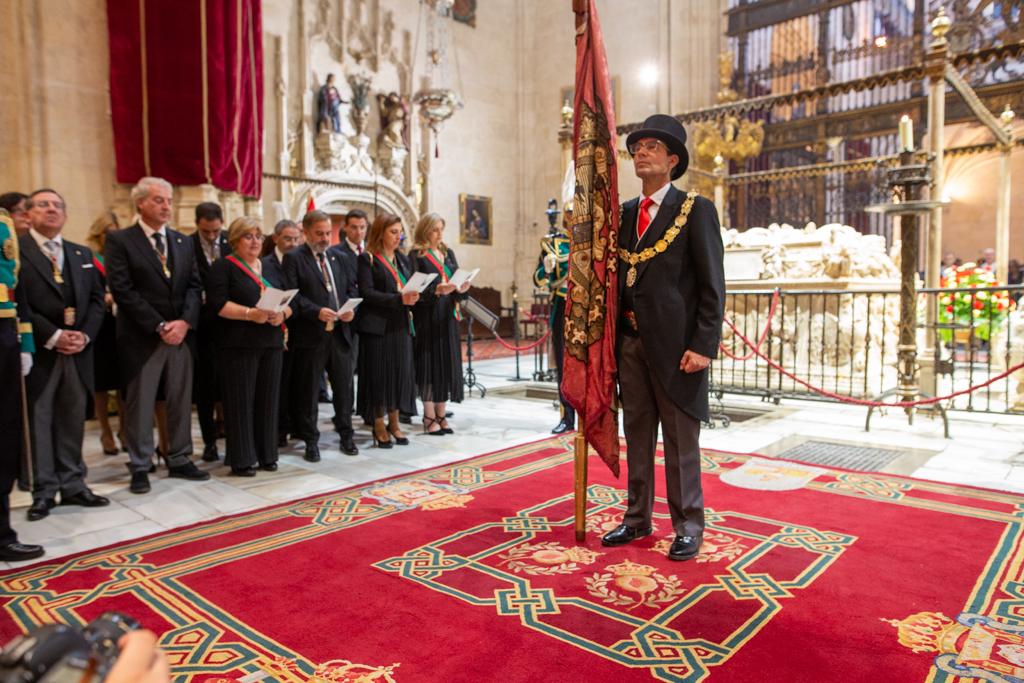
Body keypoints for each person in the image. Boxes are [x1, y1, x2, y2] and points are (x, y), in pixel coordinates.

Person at [601, 114, 725, 562]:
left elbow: (713, 285)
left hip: (678, 350)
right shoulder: (623, 215)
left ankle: (688, 525)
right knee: (636, 435)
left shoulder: (695, 209)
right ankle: (637, 517)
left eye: (652, 146)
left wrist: (703, 346)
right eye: (637, 147)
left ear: (673, 160)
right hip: (630, 343)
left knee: (679, 442)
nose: (641, 152)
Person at [105, 177, 209, 494]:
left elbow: (194, 287)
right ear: (140, 203)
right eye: (158, 200)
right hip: (143, 336)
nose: (166, 206)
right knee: (141, 403)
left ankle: (179, 457)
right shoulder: (121, 240)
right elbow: (123, 290)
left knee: (179, 399)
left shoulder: (182, 241)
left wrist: (185, 323)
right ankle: (140, 464)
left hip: (180, 335)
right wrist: (161, 326)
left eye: (169, 201)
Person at [17, 189, 109, 520]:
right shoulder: (17, 252)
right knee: (40, 421)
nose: (51, 210)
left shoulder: (80, 252)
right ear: (29, 214)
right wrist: (54, 336)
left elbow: (97, 299)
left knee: (72, 419)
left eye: (57, 206)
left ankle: (73, 485)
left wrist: (85, 334)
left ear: (66, 216)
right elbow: (19, 303)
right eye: (43, 205)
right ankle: (43, 490)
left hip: (78, 349)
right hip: (41, 351)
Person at [206, 218, 287, 476]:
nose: (255, 241)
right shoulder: (223, 267)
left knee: (268, 400)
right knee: (241, 402)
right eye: (248, 236)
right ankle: (242, 458)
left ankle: (267, 454)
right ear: (235, 240)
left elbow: (289, 300)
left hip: (271, 342)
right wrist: (250, 314)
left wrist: (283, 314)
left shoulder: (270, 267)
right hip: (239, 344)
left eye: (258, 236)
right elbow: (218, 304)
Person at [283, 210, 358, 461]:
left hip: (339, 334)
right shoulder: (294, 258)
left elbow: (350, 288)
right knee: (309, 392)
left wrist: (350, 309)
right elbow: (293, 296)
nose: (325, 238)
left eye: (328, 233)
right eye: (319, 233)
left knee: (344, 389)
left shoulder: (338, 257)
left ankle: (347, 435)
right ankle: (310, 440)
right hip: (311, 335)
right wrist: (316, 312)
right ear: (305, 232)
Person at [0, 209, 44, 561]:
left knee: (5, 434)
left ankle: (2, 532)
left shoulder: (4, 223)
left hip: (4, 335)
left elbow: (16, 291)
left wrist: (25, 344)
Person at [357, 213, 419, 447]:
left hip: (400, 325)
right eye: (393, 232)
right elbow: (366, 293)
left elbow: (405, 286)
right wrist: (398, 299)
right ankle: (378, 423)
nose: (398, 237)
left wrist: (414, 294)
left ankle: (395, 422)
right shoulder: (368, 259)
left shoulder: (402, 259)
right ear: (380, 232)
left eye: (400, 232)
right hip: (378, 327)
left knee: (397, 374)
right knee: (379, 375)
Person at [409, 213, 469, 435]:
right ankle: (429, 416)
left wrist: (461, 288)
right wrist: (435, 290)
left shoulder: (447, 253)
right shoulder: (417, 255)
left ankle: (441, 415)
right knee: (429, 365)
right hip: (427, 316)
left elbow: (456, 279)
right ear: (425, 231)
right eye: (434, 229)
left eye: (441, 229)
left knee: (445, 363)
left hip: (447, 316)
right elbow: (413, 287)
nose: (439, 234)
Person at [191, 202, 231, 462]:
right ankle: (209, 442)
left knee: (228, 385)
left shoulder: (230, 242)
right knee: (205, 387)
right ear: (198, 224)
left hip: (230, 325)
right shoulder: (186, 245)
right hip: (202, 326)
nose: (211, 236)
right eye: (206, 232)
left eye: (216, 231)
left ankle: (230, 432)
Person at [262, 219, 303, 447]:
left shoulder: (301, 260)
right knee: (278, 383)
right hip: (273, 329)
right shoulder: (265, 264)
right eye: (288, 238)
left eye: (296, 239)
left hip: (299, 327)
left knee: (296, 381)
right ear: (276, 238)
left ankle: (295, 424)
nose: (293, 243)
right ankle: (278, 428)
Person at [85, 210, 123, 456]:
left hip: (120, 324)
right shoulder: (90, 257)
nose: (111, 237)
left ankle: (125, 429)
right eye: (107, 233)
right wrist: (104, 297)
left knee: (122, 382)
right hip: (99, 325)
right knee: (101, 384)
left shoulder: (121, 256)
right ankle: (106, 432)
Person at [534, 204, 574, 434]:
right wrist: (547, 269)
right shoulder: (553, 244)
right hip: (562, 305)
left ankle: (590, 415)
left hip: (590, 308)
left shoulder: (594, 241)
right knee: (563, 362)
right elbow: (538, 279)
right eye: (571, 215)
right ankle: (567, 416)